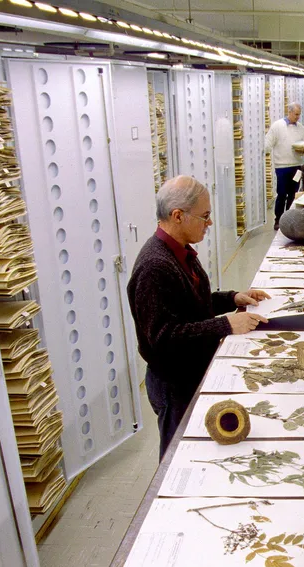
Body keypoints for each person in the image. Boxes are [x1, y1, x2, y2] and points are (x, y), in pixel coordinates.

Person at [128, 175, 270, 460]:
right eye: (205, 216)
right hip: (174, 383)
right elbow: (163, 337)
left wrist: (231, 298)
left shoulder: (177, 252)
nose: (210, 223)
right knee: (176, 455)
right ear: (177, 216)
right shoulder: (155, 267)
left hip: (190, 372)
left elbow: (190, 305)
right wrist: (226, 324)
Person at [264, 103, 304, 230]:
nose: (298, 117)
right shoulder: (277, 126)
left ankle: (290, 219)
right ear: (289, 112)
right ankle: (278, 219)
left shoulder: (300, 127)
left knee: (293, 194)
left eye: (299, 114)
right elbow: (268, 144)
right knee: (282, 194)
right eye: (296, 114)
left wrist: (303, 150)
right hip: (282, 167)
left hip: (296, 166)